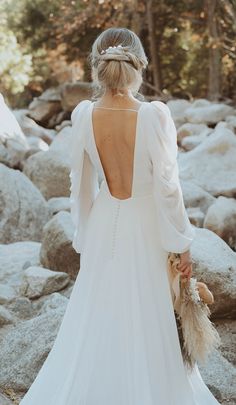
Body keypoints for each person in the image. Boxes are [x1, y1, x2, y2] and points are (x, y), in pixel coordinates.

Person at [20, 27, 220, 405]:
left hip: (103, 221)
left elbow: (80, 183)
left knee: (98, 313)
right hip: (144, 226)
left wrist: (83, 235)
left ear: (97, 65)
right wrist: (182, 245)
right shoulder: (154, 115)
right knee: (148, 315)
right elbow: (168, 188)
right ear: (139, 65)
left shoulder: (83, 115)